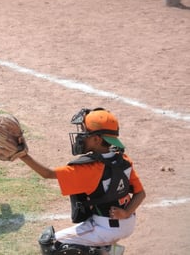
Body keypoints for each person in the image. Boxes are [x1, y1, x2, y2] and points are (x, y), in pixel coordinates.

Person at [19, 108, 146, 254]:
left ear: (96, 139)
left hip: (106, 228)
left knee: (51, 244)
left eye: (84, 132)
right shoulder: (123, 160)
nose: (80, 136)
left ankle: (103, 251)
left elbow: (47, 173)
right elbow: (140, 193)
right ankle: (106, 249)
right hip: (127, 223)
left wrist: (23, 155)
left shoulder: (90, 169)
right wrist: (126, 213)